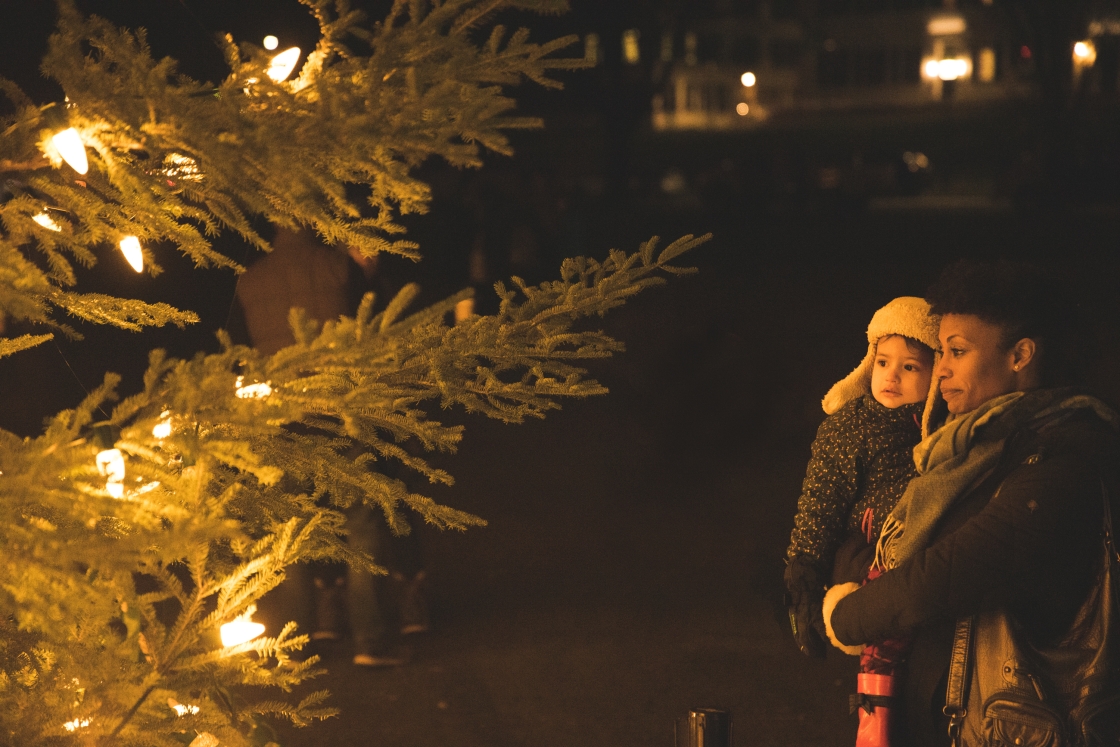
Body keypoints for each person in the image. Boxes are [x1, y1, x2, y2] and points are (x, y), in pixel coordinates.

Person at [823, 259, 1120, 746]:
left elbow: (938, 578)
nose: (941, 369)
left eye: (957, 351)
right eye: (941, 351)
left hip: (1016, 729)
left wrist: (844, 616)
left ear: (1020, 355)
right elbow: (879, 543)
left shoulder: (1065, 461)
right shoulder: (968, 451)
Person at [785, 297, 940, 658]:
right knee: (881, 669)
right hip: (865, 564)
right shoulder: (852, 427)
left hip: (921, 569)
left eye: (911, 367)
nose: (892, 375)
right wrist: (804, 576)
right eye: (883, 362)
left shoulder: (940, 431)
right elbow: (820, 504)